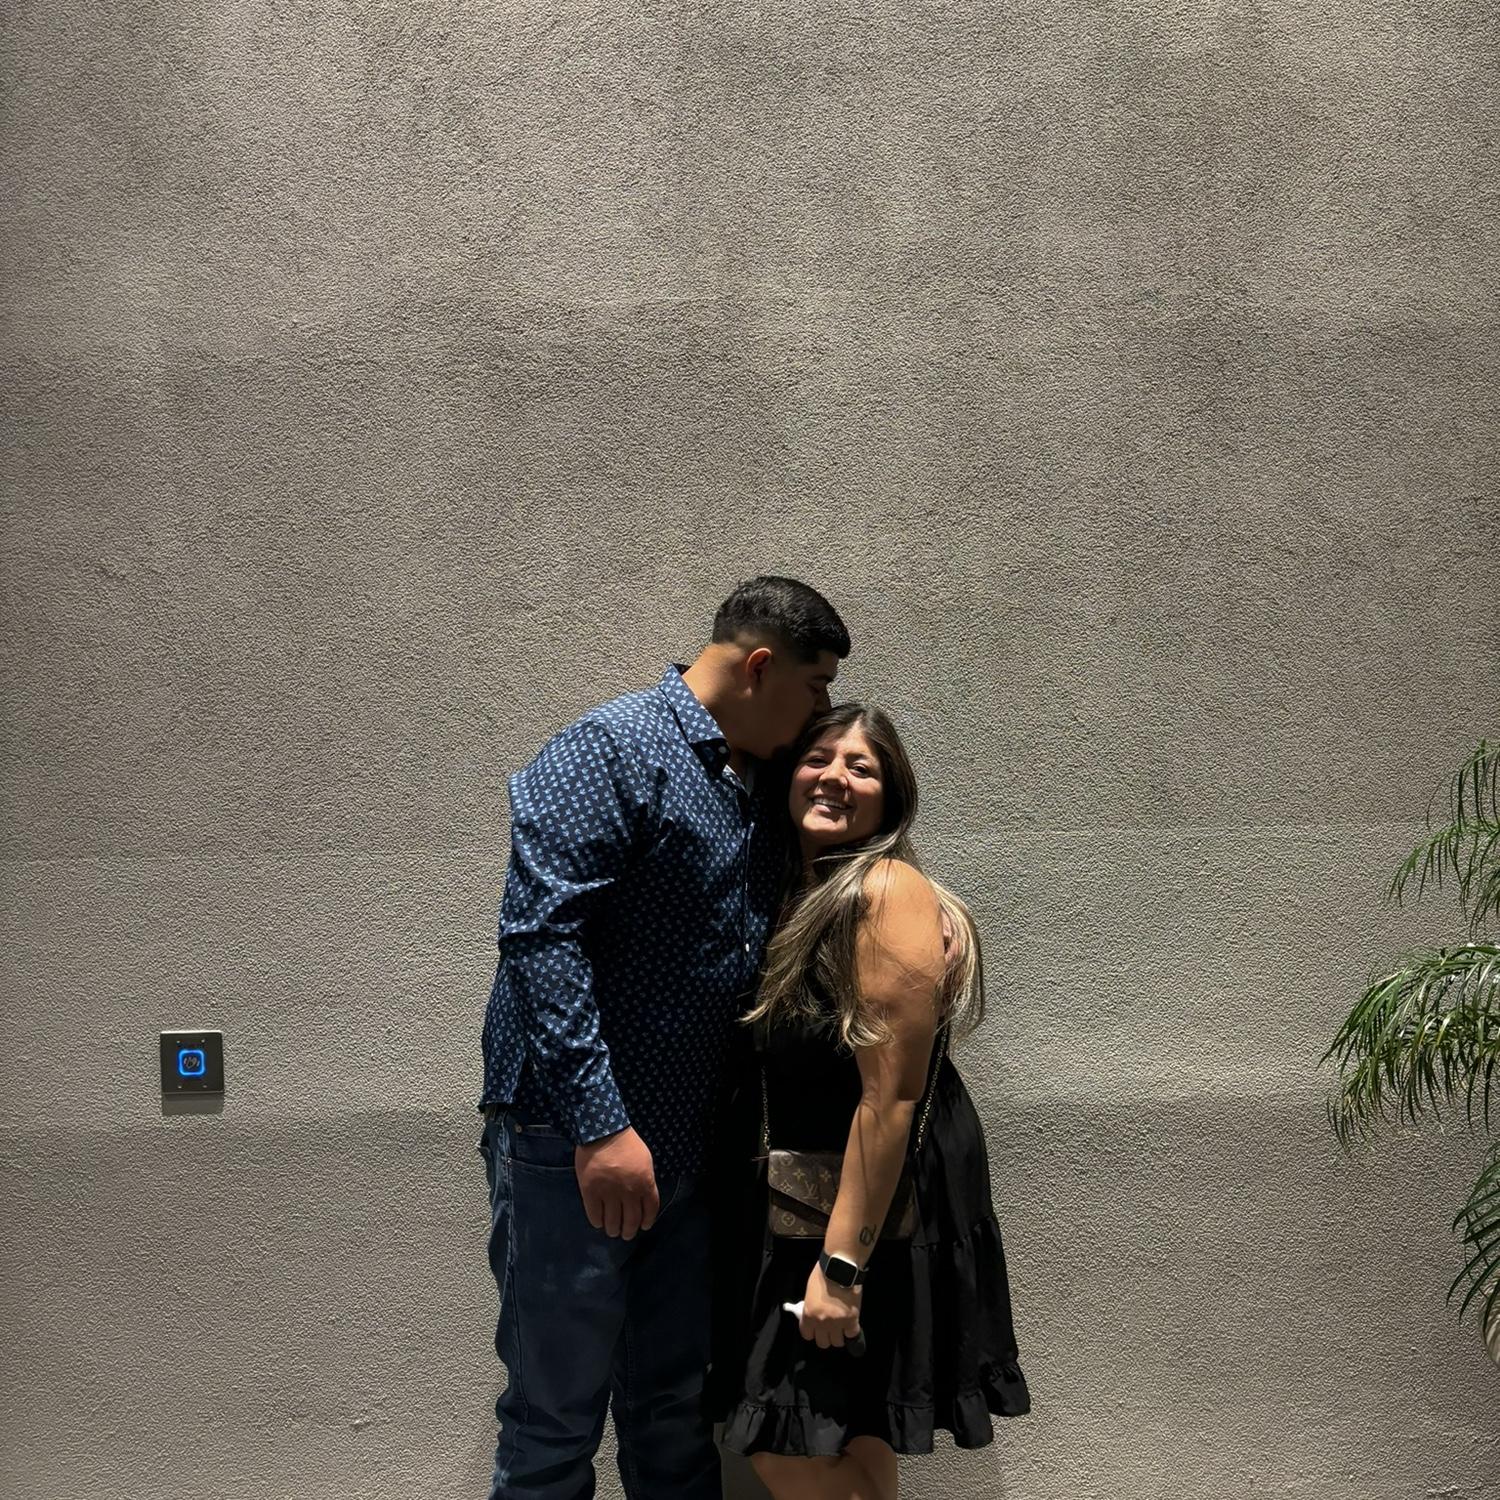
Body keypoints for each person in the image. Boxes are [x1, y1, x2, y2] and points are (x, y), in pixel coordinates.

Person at [476, 577, 851, 1500]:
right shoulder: (610, 749)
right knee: (554, 1423)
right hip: (570, 1146)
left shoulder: (754, 783)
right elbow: (541, 938)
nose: (821, 711)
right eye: (814, 686)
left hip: (689, 1152)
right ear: (758, 666)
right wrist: (601, 1128)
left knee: (675, 1415)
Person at [707, 702, 1030, 1500]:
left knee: (783, 1439)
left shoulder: (885, 890)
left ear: (892, 797)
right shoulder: (795, 889)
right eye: (819, 758)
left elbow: (892, 1096)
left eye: (862, 767)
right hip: (803, 1192)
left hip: (866, 1206)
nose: (835, 777)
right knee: (847, 1425)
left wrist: (842, 1269)